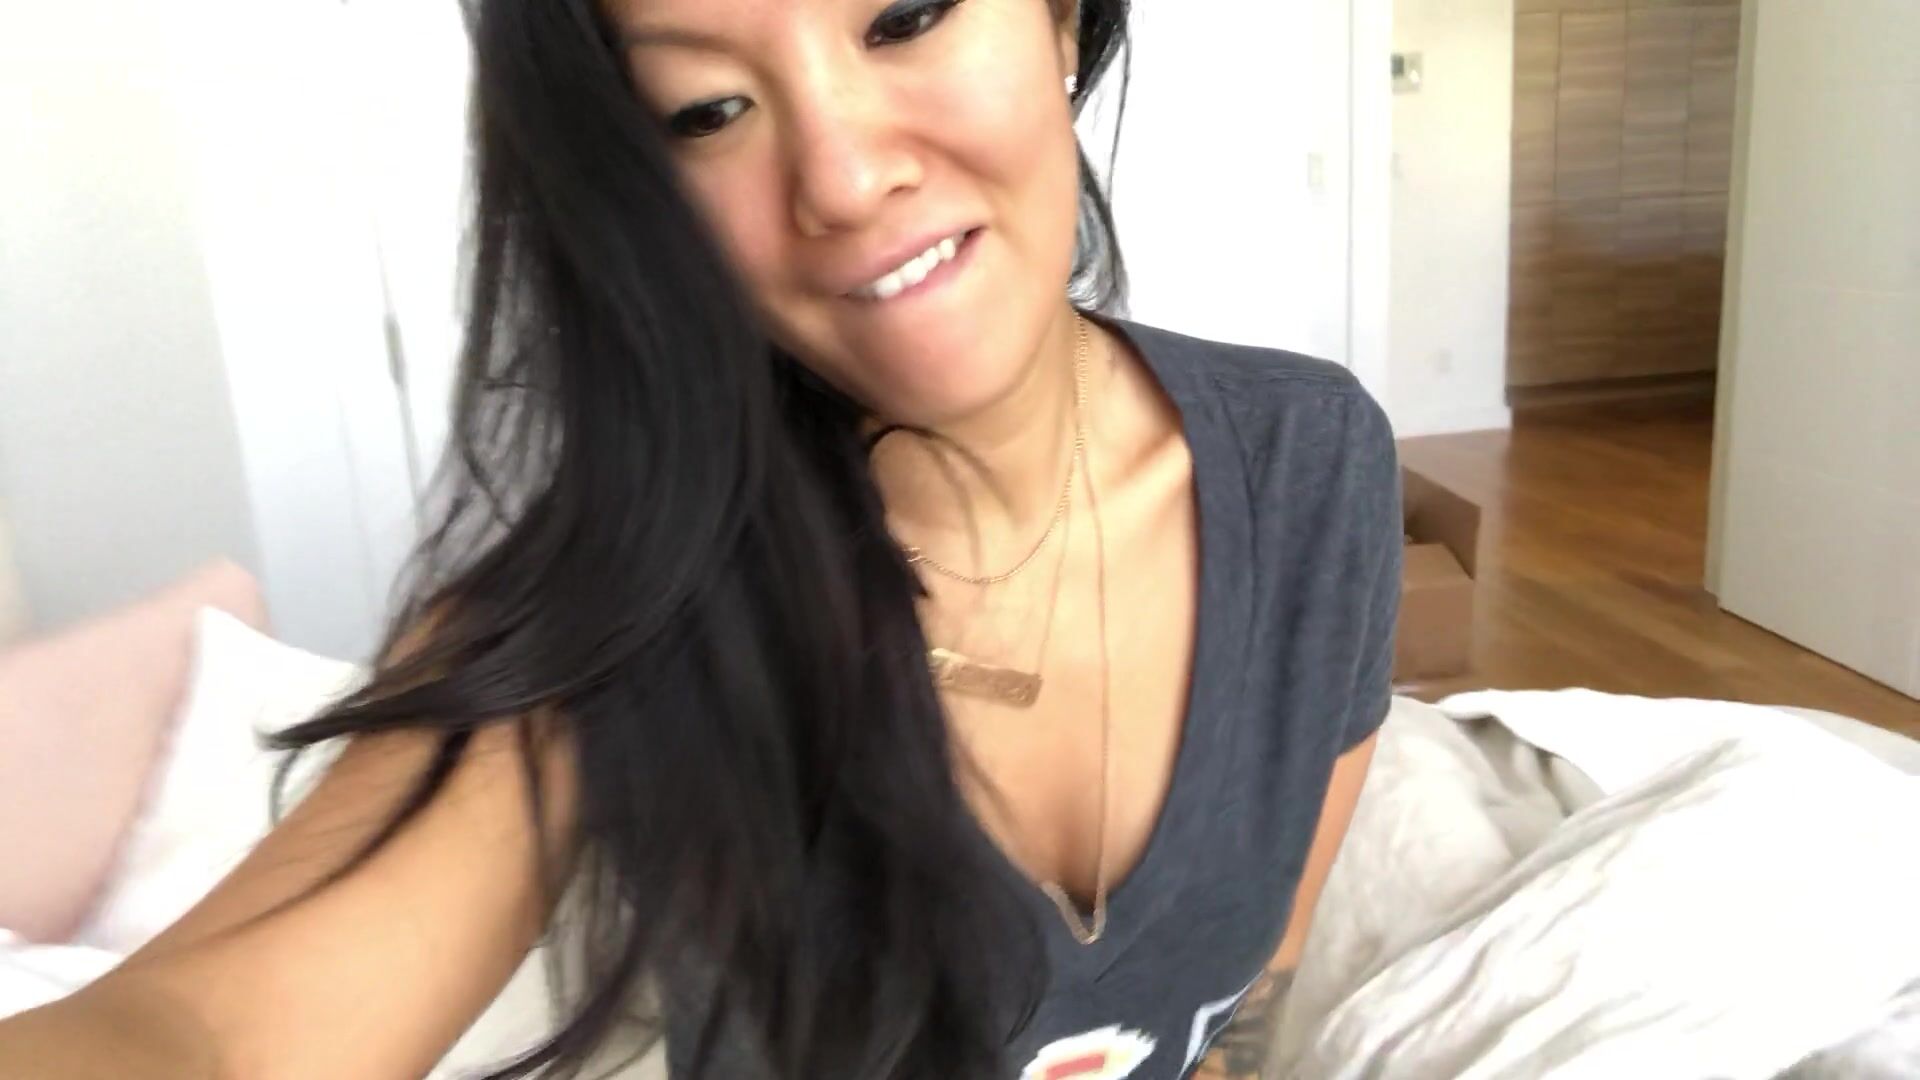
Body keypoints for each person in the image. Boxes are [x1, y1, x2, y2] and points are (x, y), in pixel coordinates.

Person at [0, 0, 1399, 1076]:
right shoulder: (628, 607)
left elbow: (1244, 981)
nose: (842, 176)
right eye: (705, 109)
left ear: (1063, 19)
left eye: (905, 16)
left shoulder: (1312, 465)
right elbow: (212, 1031)